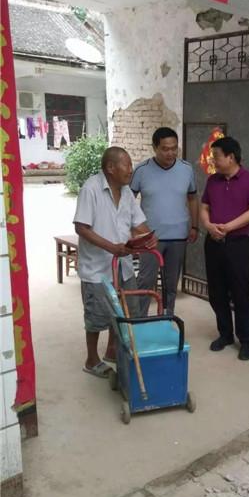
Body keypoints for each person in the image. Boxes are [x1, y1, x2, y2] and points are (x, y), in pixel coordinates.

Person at [74, 146, 157, 378]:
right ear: (111, 168)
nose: (131, 169)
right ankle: (91, 360)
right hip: (98, 268)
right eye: (127, 165)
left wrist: (148, 237)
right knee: (96, 316)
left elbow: (138, 223)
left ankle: (112, 349)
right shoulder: (91, 189)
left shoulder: (127, 192)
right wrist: (112, 248)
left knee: (123, 308)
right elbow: (81, 227)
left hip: (124, 265)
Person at [200, 136, 249, 361]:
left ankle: (246, 340)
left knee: (240, 293)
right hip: (213, 243)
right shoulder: (212, 180)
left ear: (231, 157)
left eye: (216, 156)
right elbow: (204, 207)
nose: (213, 160)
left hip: (237, 244)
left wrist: (227, 227)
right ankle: (225, 334)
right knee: (216, 292)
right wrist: (209, 226)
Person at [130, 127, 198, 316]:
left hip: (178, 236)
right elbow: (128, 201)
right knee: (145, 281)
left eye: (174, 148)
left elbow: (193, 198)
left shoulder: (186, 169)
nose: (170, 153)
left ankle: (167, 318)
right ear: (154, 148)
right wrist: (133, 229)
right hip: (150, 237)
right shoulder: (142, 170)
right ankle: (140, 320)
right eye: (165, 149)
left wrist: (194, 226)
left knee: (171, 284)